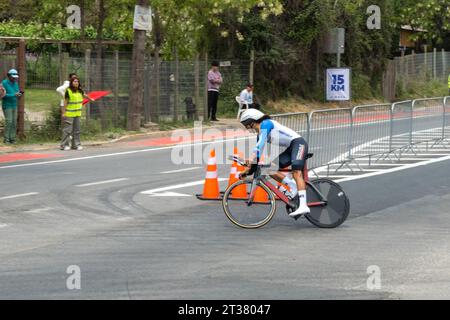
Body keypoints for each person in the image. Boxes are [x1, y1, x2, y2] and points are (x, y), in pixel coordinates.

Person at [238, 109, 310, 218]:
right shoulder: (260, 133)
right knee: (268, 169)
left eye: (248, 125)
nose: (249, 128)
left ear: (252, 120)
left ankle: (303, 206)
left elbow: (260, 145)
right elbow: (257, 158)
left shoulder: (266, 124)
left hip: (299, 143)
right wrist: (247, 171)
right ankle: (292, 185)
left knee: (296, 171)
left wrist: (251, 156)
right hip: (291, 148)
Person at [60, 77, 93, 151]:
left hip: (77, 113)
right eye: (74, 81)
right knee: (67, 130)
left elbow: (85, 95)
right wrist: (64, 112)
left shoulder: (80, 90)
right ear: (71, 82)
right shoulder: (68, 91)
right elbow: (65, 102)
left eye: (77, 81)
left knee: (77, 130)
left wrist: (90, 98)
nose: (76, 82)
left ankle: (76, 145)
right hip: (69, 114)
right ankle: (64, 145)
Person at [1, 69, 22, 144]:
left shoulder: (15, 84)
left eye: (15, 77)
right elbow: (2, 95)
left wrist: (19, 95)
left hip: (14, 105)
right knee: (9, 121)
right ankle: (6, 139)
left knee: (14, 122)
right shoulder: (4, 83)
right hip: (7, 105)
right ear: (9, 76)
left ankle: (12, 138)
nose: (14, 78)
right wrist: (14, 95)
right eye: (13, 77)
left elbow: (17, 93)